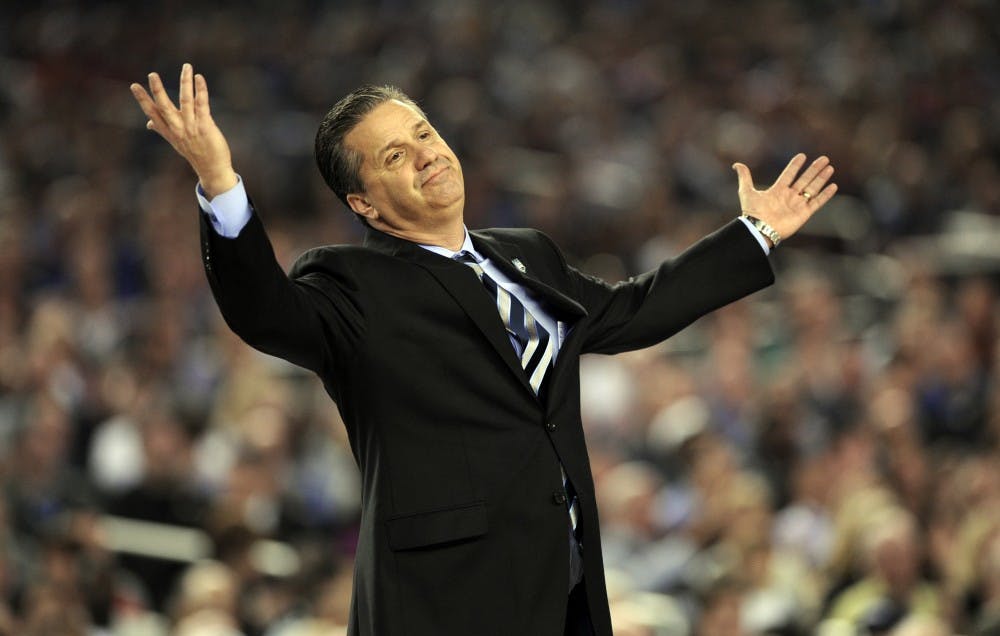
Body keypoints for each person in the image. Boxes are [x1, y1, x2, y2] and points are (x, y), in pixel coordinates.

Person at [130, 63, 837, 636]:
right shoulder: (351, 283)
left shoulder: (527, 257)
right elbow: (264, 312)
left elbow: (632, 311)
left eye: (425, 133)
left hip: (562, 583)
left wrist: (754, 234)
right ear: (365, 205)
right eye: (395, 157)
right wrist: (220, 183)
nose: (427, 156)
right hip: (445, 601)